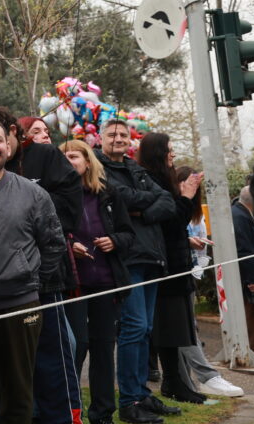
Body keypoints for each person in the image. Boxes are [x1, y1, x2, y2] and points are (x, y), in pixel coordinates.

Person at [0, 113, 66, 424]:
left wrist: (30, 280)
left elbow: (54, 244)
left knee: (17, 397)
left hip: (19, 306)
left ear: (9, 145)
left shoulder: (33, 193)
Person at [0, 108, 83, 424]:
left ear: (15, 135)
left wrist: (27, 214)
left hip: (44, 279)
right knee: (10, 363)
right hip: (2, 284)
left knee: (54, 355)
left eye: (2, 138)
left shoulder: (46, 156)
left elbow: (72, 204)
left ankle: (65, 416)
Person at [95, 118, 176, 424]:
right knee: (134, 327)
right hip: (126, 258)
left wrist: (142, 211)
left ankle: (141, 393)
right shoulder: (98, 167)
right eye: (112, 134)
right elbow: (119, 199)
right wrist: (144, 204)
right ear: (102, 138)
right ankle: (129, 401)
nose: (118, 138)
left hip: (151, 257)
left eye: (123, 134)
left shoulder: (136, 169)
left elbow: (167, 201)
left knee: (145, 330)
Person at [60, 139, 134, 424]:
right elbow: (52, 233)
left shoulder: (109, 194)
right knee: (76, 346)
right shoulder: (55, 196)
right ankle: (70, 411)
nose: (69, 160)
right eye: (64, 156)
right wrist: (70, 245)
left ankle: (102, 414)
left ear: (87, 162)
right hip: (73, 284)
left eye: (74, 156)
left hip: (106, 282)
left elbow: (129, 234)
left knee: (104, 348)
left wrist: (114, 241)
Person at [138, 134, 204, 406]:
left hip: (176, 259)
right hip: (164, 264)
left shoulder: (162, 178)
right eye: (170, 150)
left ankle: (175, 381)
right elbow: (171, 220)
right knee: (167, 325)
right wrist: (187, 196)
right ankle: (171, 382)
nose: (173, 155)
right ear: (158, 153)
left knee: (176, 326)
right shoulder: (151, 181)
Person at [172, 166, 243, 399]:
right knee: (182, 328)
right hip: (173, 273)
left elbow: (203, 254)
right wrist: (186, 242)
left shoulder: (197, 215)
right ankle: (202, 377)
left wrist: (198, 269)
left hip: (189, 275)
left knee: (186, 328)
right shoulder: (173, 205)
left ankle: (185, 383)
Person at [232, 184, 254, 355]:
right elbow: (245, 249)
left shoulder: (246, 213)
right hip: (250, 275)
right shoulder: (240, 217)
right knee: (253, 313)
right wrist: (253, 279)